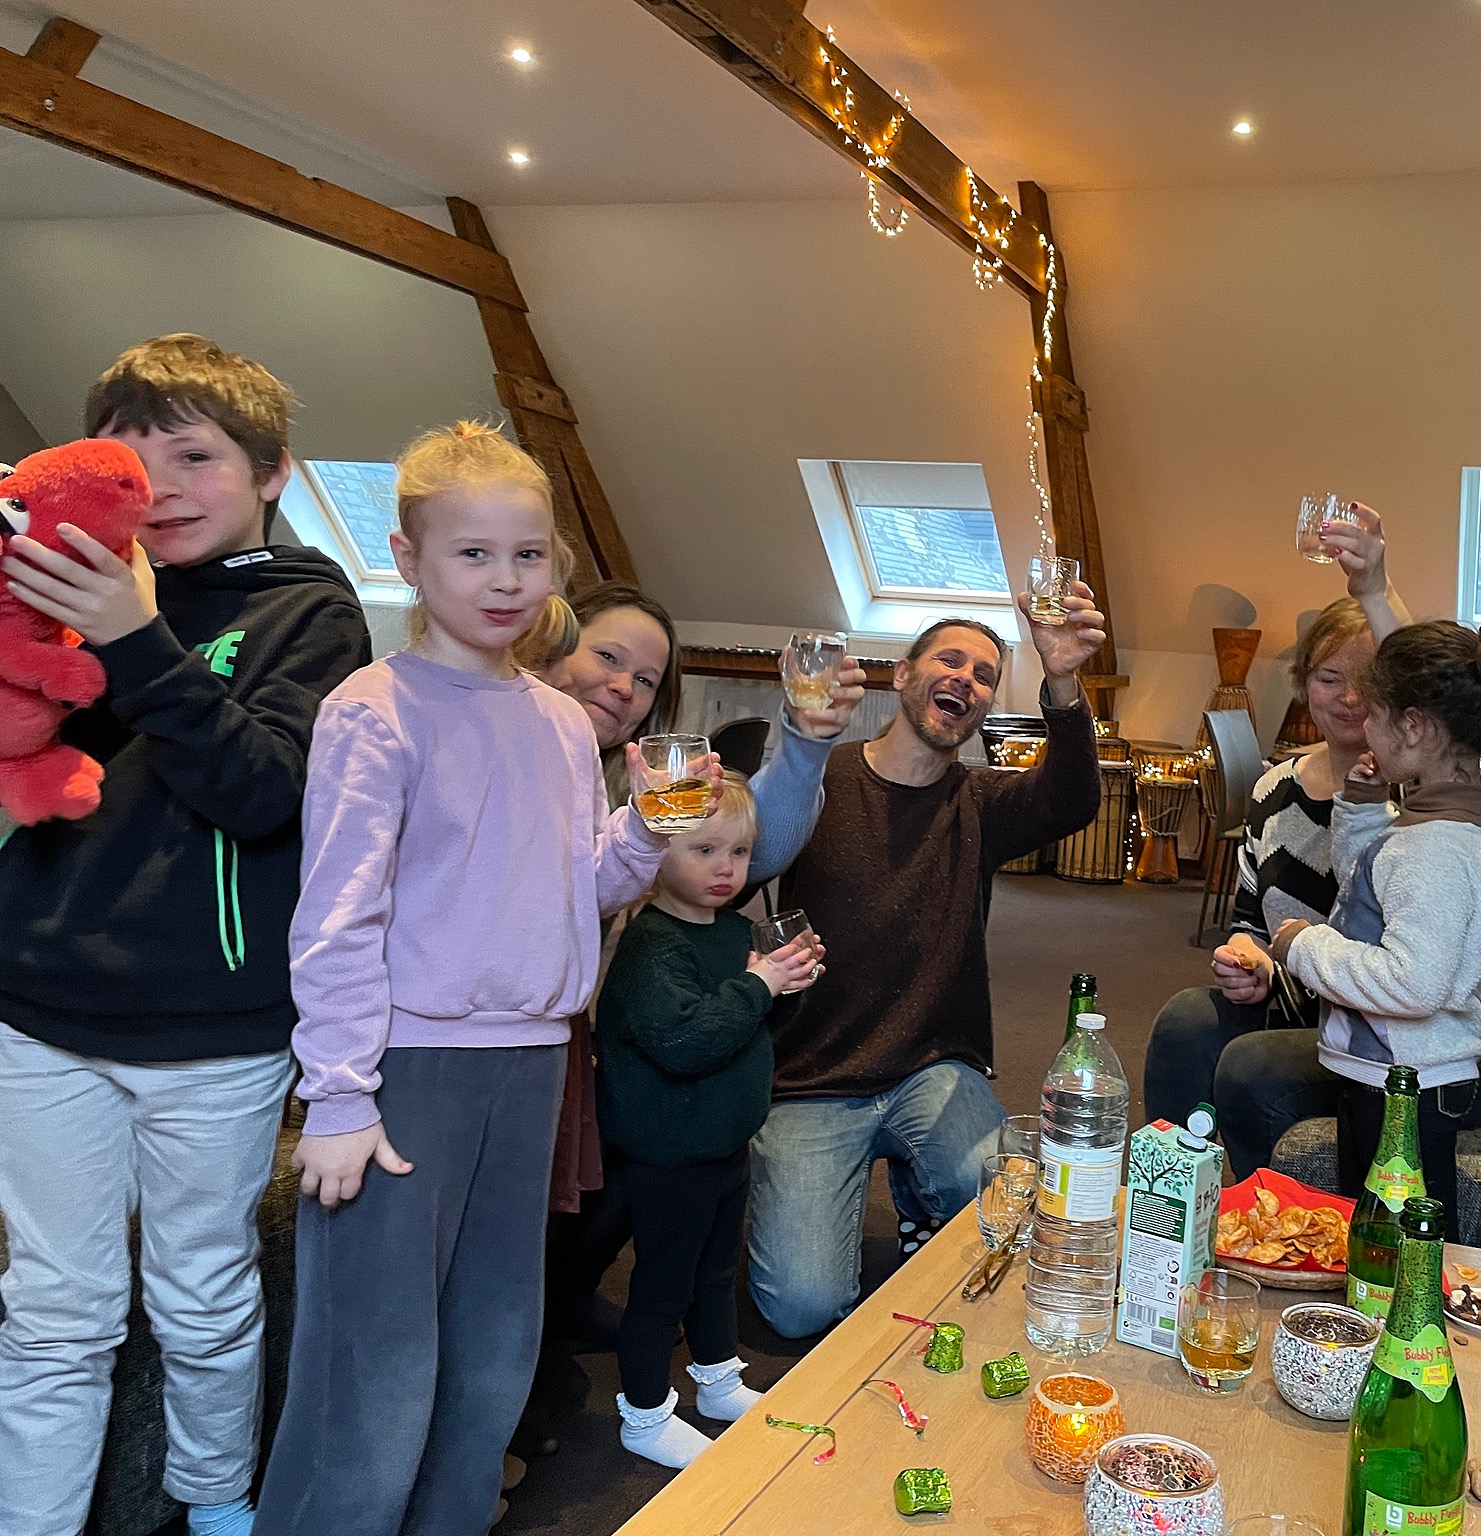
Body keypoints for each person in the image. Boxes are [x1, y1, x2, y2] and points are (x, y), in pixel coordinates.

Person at [253, 424, 669, 1536]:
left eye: (526, 556)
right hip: (408, 1068)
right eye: (473, 554)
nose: (504, 580)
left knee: (492, 1351)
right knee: (373, 1371)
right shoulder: (371, 709)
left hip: (532, 1064)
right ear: (409, 558)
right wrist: (339, 1094)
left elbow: (580, 889)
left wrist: (644, 830)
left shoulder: (561, 723)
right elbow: (336, 916)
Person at [0, 336, 371, 1536]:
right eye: (131, 457)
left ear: (271, 472)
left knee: (201, 1299)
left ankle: (216, 1503)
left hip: (214, 1034)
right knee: (53, 1310)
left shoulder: (311, 609)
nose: (159, 486)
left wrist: (132, 637)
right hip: (37, 1011)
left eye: (195, 455)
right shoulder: (60, 581)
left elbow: (262, 793)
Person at [749, 587, 1106, 1338]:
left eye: (984, 675)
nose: (966, 680)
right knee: (802, 1307)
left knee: (1018, 1222)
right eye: (950, 661)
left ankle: (921, 1189)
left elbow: (1073, 799)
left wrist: (1063, 680)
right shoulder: (822, 782)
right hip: (812, 1078)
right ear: (903, 675)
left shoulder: (979, 801)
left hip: (932, 1069)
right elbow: (741, 862)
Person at [529, 582, 860, 1346]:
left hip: (594, 1033)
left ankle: (561, 1303)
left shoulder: (639, 780)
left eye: (646, 679)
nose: (624, 687)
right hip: (517, 1023)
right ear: (554, 643)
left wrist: (805, 743)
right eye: (607, 657)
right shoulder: (521, 754)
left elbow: (747, 845)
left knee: (622, 1158)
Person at [1256, 614, 1481, 1234]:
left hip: (1410, 1084)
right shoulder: (1438, 826)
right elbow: (1369, 885)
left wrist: (1303, 945)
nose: (1364, 725)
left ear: (1414, 726)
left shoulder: (1437, 848)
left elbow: (1413, 983)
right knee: (1372, 1236)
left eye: (1375, 713)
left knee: (1397, 1247)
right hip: (1391, 1071)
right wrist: (1365, 809)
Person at [1144, 507, 1412, 1175]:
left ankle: (1273, 1222)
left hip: (1391, 1030)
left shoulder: (1419, 794)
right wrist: (1248, 958)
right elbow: (1249, 922)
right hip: (1296, 1004)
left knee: (1251, 1064)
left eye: (1370, 681)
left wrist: (1376, 585)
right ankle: (1173, 1203)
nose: (1348, 698)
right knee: (1184, 1023)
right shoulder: (1274, 789)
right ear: (1304, 686)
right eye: (1328, 678)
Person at [594, 778, 822, 1467]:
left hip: (723, 1142)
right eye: (704, 850)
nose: (726, 868)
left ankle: (718, 1381)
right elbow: (685, 1041)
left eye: (740, 852)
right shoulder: (651, 946)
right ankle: (643, 1414)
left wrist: (785, 988)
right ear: (656, 853)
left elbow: (748, 1028)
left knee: (716, 1273)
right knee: (662, 1287)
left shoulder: (733, 931)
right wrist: (759, 986)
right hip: (668, 1152)